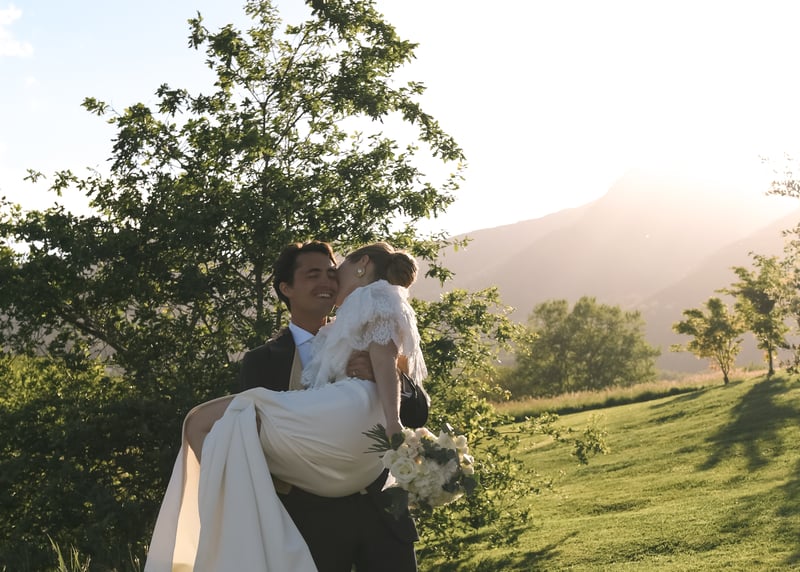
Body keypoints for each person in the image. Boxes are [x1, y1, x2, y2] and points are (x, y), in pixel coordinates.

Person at [144, 242, 426, 572]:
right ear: (286, 288)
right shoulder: (262, 360)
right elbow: (253, 439)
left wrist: (390, 377)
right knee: (202, 421)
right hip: (310, 525)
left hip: (380, 513)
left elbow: (418, 413)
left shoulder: (363, 327)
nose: (327, 281)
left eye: (331, 273)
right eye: (313, 275)